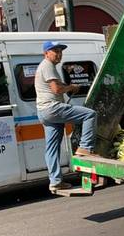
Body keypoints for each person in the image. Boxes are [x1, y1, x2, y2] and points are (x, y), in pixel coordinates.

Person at [35, 41, 98, 192]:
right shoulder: (47, 65)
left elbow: (57, 85)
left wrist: (70, 86)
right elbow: (56, 89)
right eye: (55, 51)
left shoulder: (46, 67)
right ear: (46, 53)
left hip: (43, 112)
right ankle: (85, 147)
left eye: (60, 51)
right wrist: (71, 87)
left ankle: (55, 181)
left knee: (51, 148)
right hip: (52, 109)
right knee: (90, 114)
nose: (59, 53)